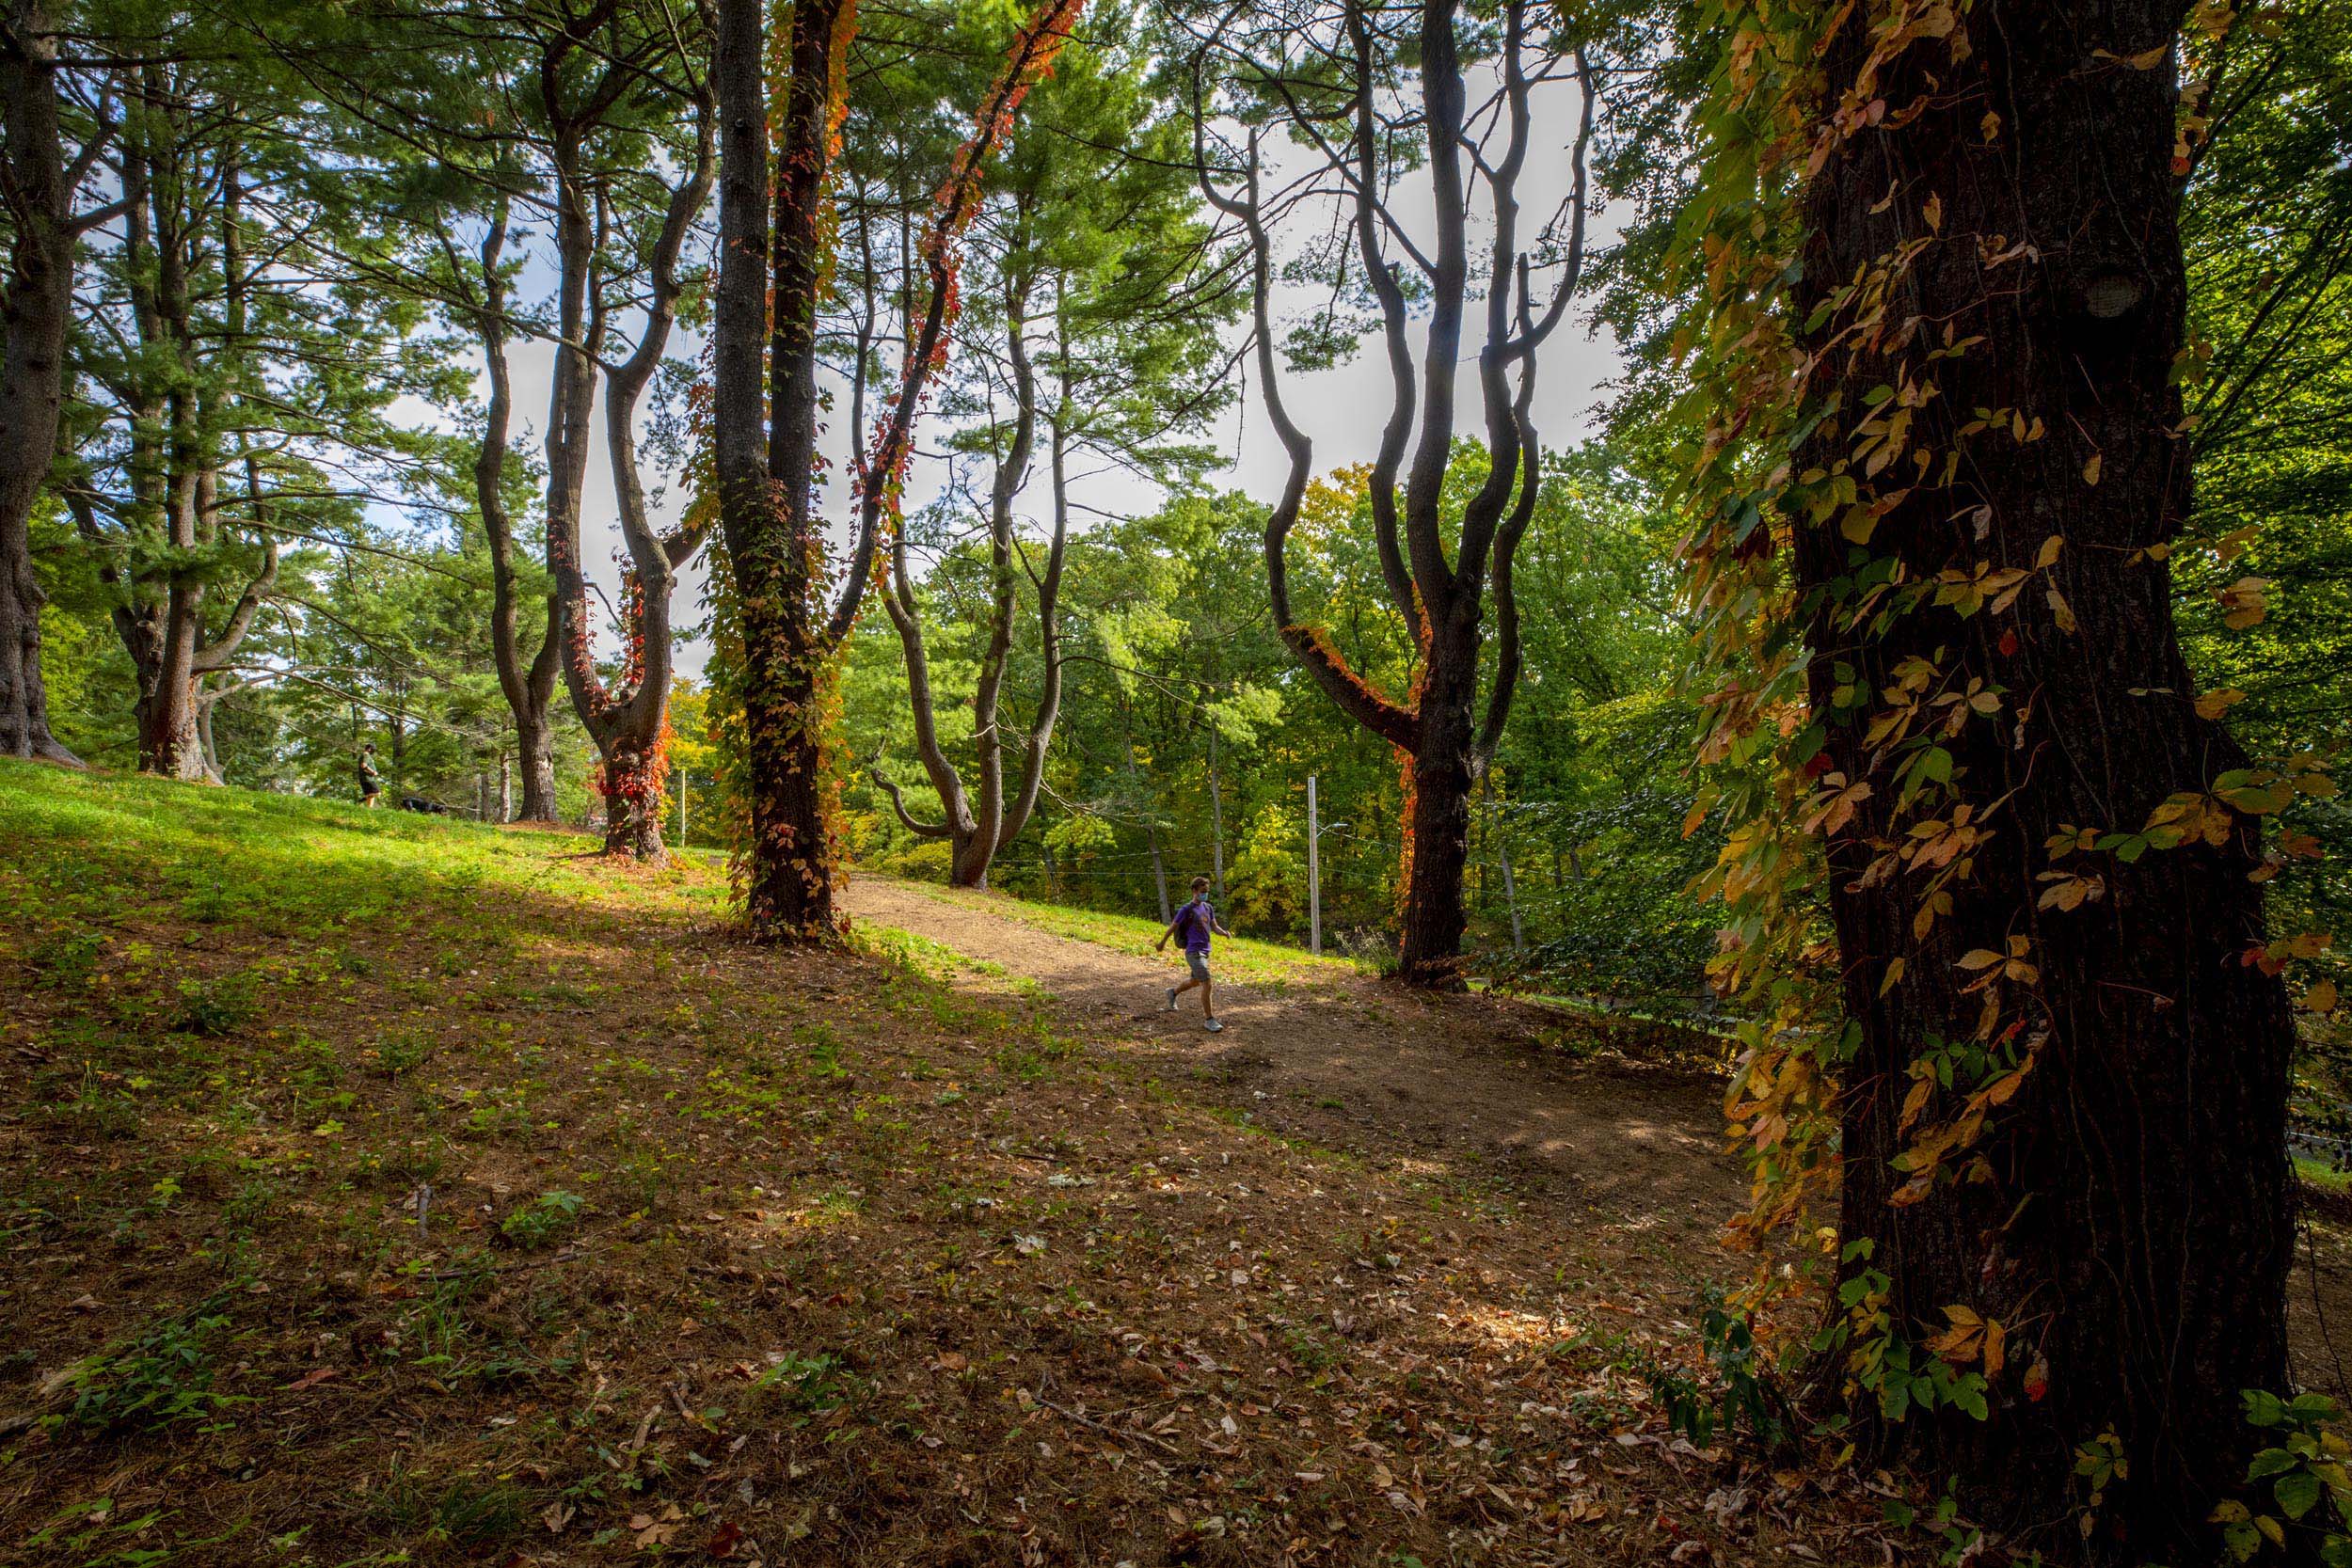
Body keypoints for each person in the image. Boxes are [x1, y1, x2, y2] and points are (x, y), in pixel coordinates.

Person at [1155, 875, 1232, 1033]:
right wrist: (1162, 942)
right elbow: (1173, 927)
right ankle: (1209, 1020)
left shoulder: (1208, 908)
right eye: (1203, 891)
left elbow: (1214, 927)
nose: (1205, 894)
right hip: (1193, 952)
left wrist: (1224, 933)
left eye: (1207, 891)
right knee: (1207, 983)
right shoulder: (1186, 910)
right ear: (1194, 891)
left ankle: (1172, 992)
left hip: (1205, 951)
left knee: (1195, 981)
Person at [357, 742, 383, 808]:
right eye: (373, 749)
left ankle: (369, 809)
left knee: (370, 794)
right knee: (377, 793)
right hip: (367, 778)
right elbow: (363, 765)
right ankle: (361, 800)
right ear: (369, 749)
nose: (374, 751)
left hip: (365, 778)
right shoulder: (366, 755)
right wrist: (373, 772)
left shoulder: (364, 755)